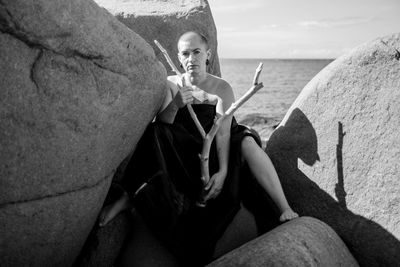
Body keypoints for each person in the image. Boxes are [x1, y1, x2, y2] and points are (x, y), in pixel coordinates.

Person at [99, 31, 298, 265]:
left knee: (247, 141)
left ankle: (284, 207)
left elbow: (222, 131)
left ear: (207, 55)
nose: (191, 58)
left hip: (218, 145)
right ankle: (130, 195)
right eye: (185, 53)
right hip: (186, 147)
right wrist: (176, 104)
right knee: (154, 131)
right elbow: (165, 124)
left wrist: (222, 172)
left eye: (196, 52)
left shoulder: (221, 88)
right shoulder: (172, 84)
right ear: (179, 58)